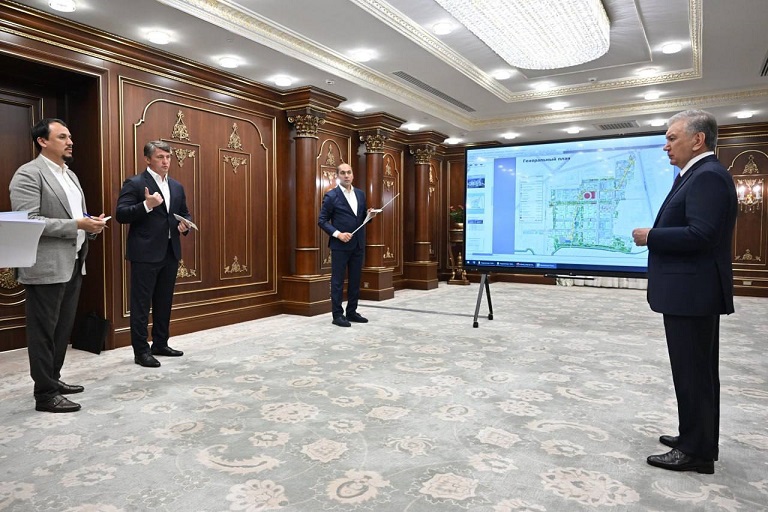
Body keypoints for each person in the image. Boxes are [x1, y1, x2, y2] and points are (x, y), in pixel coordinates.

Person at [632, 109, 737, 474]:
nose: (666, 146)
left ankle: (696, 452)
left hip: (693, 294)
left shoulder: (708, 176)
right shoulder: (696, 174)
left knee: (694, 373)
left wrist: (652, 236)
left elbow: (701, 234)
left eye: (672, 138)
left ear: (698, 139)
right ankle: (694, 437)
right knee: (693, 372)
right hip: (690, 292)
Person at [9, 118, 107, 413]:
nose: (70, 142)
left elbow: (76, 216)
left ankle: (53, 379)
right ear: (42, 141)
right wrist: (77, 224)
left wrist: (90, 225)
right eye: (62, 137)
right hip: (45, 266)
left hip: (74, 262)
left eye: (70, 136)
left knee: (62, 330)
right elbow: (29, 221)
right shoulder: (28, 174)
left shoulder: (71, 175)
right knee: (43, 333)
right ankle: (45, 394)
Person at [116, 140, 191, 367]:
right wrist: (147, 205)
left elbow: (184, 213)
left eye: (168, 157)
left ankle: (160, 343)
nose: (165, 161)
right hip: (145, 254)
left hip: (170, 252)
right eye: (160, 157)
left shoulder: (176, 186)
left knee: (164, 301)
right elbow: (121, 214)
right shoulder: (136, 183)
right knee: (141, 304)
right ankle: (141, 351)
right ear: (148, 159)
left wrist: (185, 225)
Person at [318, 162, 377, 327]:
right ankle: (337, 315)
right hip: (340, 246)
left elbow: (361, 218)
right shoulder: (331, 196)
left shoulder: (360, 194)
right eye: (343, 173)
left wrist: (369, 216)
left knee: (355, 280)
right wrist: (338, 234)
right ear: (337, 176)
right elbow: (322, 221)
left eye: (349, 172)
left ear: (352, 175)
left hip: (358, 244)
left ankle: (352, 312)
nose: (346, 175)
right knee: (337, 281)